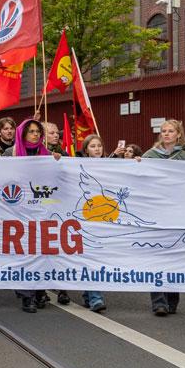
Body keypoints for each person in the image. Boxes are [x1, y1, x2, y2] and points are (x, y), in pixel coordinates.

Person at [5, 118, 64, 310]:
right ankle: (26, 296)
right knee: (24, 252)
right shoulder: (10, 154)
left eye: (38, 131)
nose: (36, 134)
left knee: (41, 251)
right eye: (31, 131)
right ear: (23, 134)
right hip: (19, 211)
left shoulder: (48, 155)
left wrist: (57, 164)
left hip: (42, 210)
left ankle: (40, 291)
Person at [143, 119, 185, 315]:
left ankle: (172, 299)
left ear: (178, 134)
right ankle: (158, 301)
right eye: (163, 131)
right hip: (156, 213)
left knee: (175, 258)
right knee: (157, 256)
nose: (166, 134)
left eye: (170, 131)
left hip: (178, 213)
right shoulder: (150, 155)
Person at [76, 134, 109, 313]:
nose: (97, 149)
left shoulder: (111, 166)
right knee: (91, 258)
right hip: (86, 219)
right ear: (86, 150)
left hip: (105, 219)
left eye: (99, 145)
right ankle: (96, 298)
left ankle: (89, 295)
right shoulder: (78, 167)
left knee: (99, 258)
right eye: (92, 146)